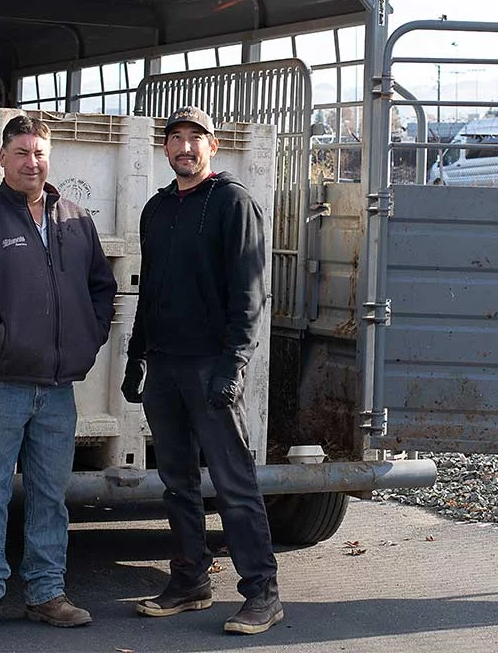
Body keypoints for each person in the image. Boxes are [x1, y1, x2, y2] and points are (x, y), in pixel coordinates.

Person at [0, 114, 117, 634]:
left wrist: (88, 336)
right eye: (21, 153)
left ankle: (46, 592)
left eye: (38, 152)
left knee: (49, 495)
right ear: (2, 158)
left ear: (49, 157)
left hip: (57, 389)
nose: (31, 162)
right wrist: (0, 339)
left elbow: (101, 288)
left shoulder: (76, 220)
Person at [120, 106, 282, 635]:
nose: (185, 148)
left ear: (213, 146)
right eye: (176, 139)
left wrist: (234, 366)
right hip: (164, 366)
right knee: (177, 483)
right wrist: (136, 356)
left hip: (212, 366)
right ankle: (190, 579)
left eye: (196, 139)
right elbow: (150, 293)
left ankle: (263, 592)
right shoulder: (157, 208)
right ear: (165, 150)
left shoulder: (233, 203)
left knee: (233, 484)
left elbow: (249, 296)